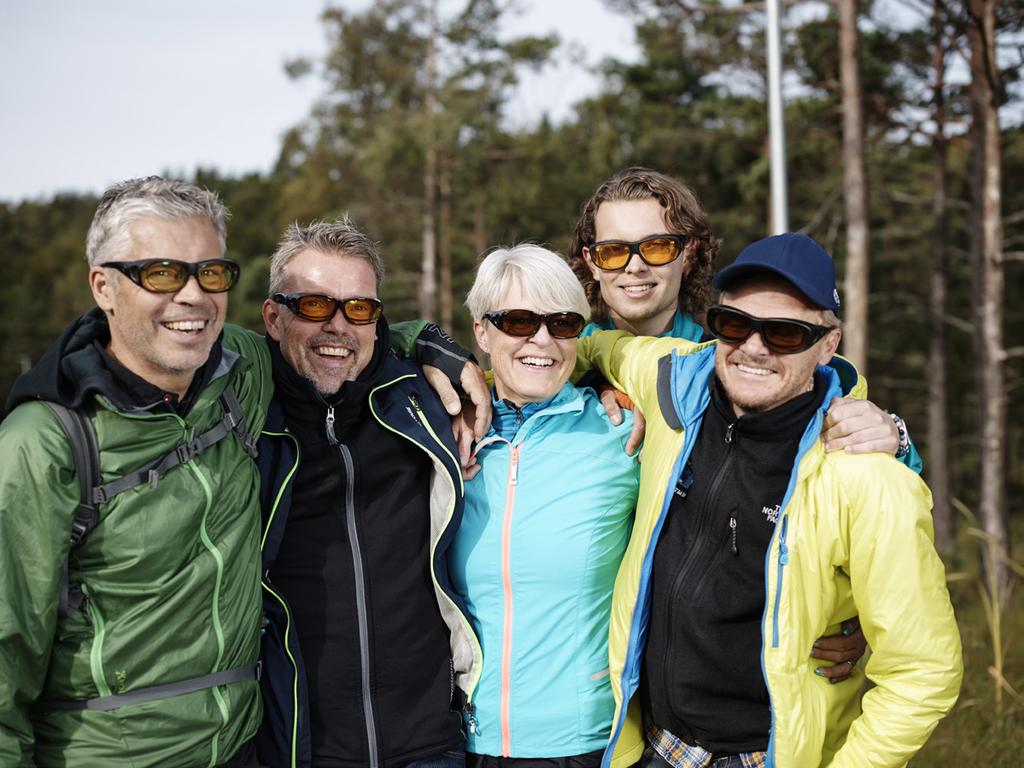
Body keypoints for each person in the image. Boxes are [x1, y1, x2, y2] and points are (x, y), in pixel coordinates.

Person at [577, 233, 962, 768]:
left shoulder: (870, 480)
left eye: (785, 333)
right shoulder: (671, 382)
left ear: (829, 345)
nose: (754, 348)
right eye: (735, 325)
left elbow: (923, 671)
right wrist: (594, 382)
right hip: (654, 747)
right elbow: (589, 346)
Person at [0, 177, 271, 766]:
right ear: (104, 286)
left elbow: (332, 339)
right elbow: (5, 650)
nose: (194, 296)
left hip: (242, 746)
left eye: (211, 273)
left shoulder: (241, 373)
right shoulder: (43, 444)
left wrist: (428, 346)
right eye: (162, 274)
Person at [253, 219, 479, 768]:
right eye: (313, 306)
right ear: (272, 315)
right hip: (297, 749)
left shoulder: (421, 400)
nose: (338, 327)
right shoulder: (242, 419)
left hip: (431, 746)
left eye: (359, 309)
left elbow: (542, 366)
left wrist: (606, 380)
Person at [568, 166, 919, 467]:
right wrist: (589, 382)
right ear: (590, 262)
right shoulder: (554, 359)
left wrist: (896, 440)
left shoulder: (732, 358)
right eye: (613, 251)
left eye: (656, 247)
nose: (635, 266)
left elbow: (830, 393)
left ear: (688, 254)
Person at [449, 244, 639, 766]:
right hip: (458, 740)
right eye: (517, 321)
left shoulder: (621, 432)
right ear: (482, 332)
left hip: (584, 743)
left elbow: (750, 373)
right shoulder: (442, 435)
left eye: (562, 323)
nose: (542, 340)